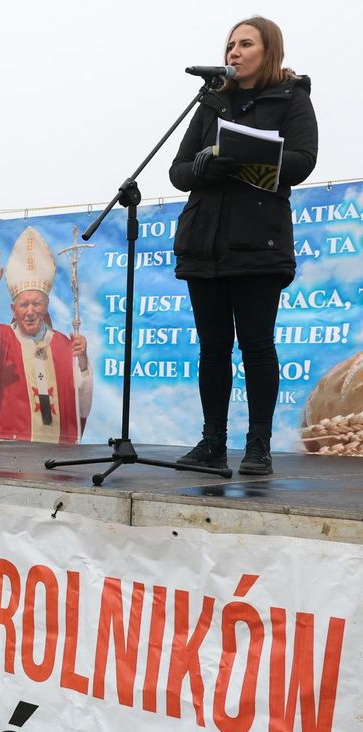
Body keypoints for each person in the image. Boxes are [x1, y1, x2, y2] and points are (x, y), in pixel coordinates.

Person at [170, 16, 317, 475]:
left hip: (258, 242)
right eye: (230, 44)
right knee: (212, 348)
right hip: (204, 242)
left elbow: (303, 160)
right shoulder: (212, 101)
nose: (233, 52)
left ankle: (259, 446)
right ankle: (213, 440)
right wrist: (206, 168)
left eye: (245, 44)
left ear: (268, 51)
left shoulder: (292, 99)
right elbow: (178, 171)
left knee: (256, 346)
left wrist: (238, 155)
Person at [0, 226, 92, 443]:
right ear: (13, 310)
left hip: (57, 451)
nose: (30, 312)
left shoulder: (63, 345)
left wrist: (83, 362)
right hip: (12, 451)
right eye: (24, 304)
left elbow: (82, 406)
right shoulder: (2, 339)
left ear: (46, 306)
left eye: (36, 303)